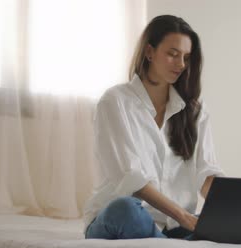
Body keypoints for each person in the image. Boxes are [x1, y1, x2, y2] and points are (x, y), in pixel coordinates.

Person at [83, 15, 225, 240]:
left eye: (186, 58)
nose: (180, 65)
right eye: (172, 54)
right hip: (122, 220)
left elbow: (206, 173)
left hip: (175, 226)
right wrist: (184, 217)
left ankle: (165, 243)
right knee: (126, 209)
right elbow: (131, 178)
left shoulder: (196, 111)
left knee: (222, 231)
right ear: (149, 52)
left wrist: (229, 213)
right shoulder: (115, 102)